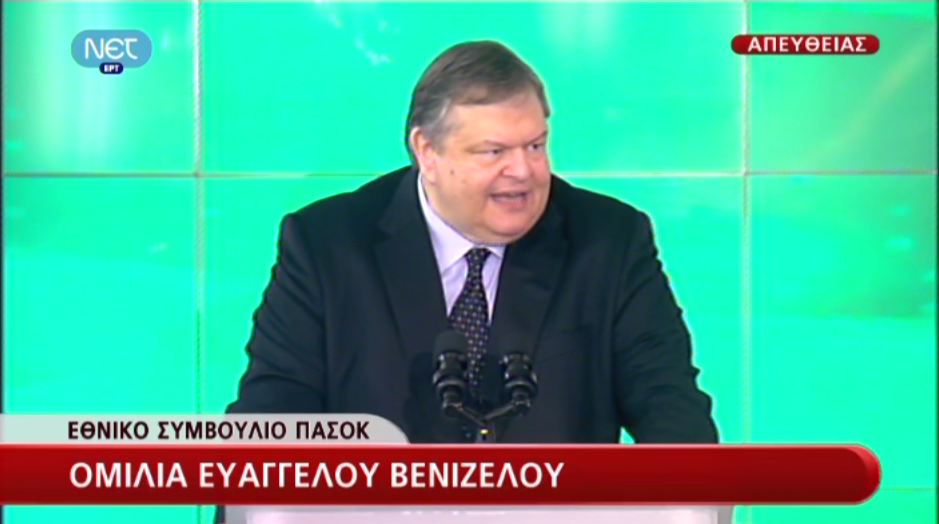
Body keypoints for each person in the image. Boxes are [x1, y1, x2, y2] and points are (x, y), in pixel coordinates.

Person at [225, 39, 717, 444]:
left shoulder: (609, 241)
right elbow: (271, 422)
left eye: (536, 145)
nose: (523, 171)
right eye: (493, 151)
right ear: (427, 151)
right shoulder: (327, 246)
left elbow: (673, 413)